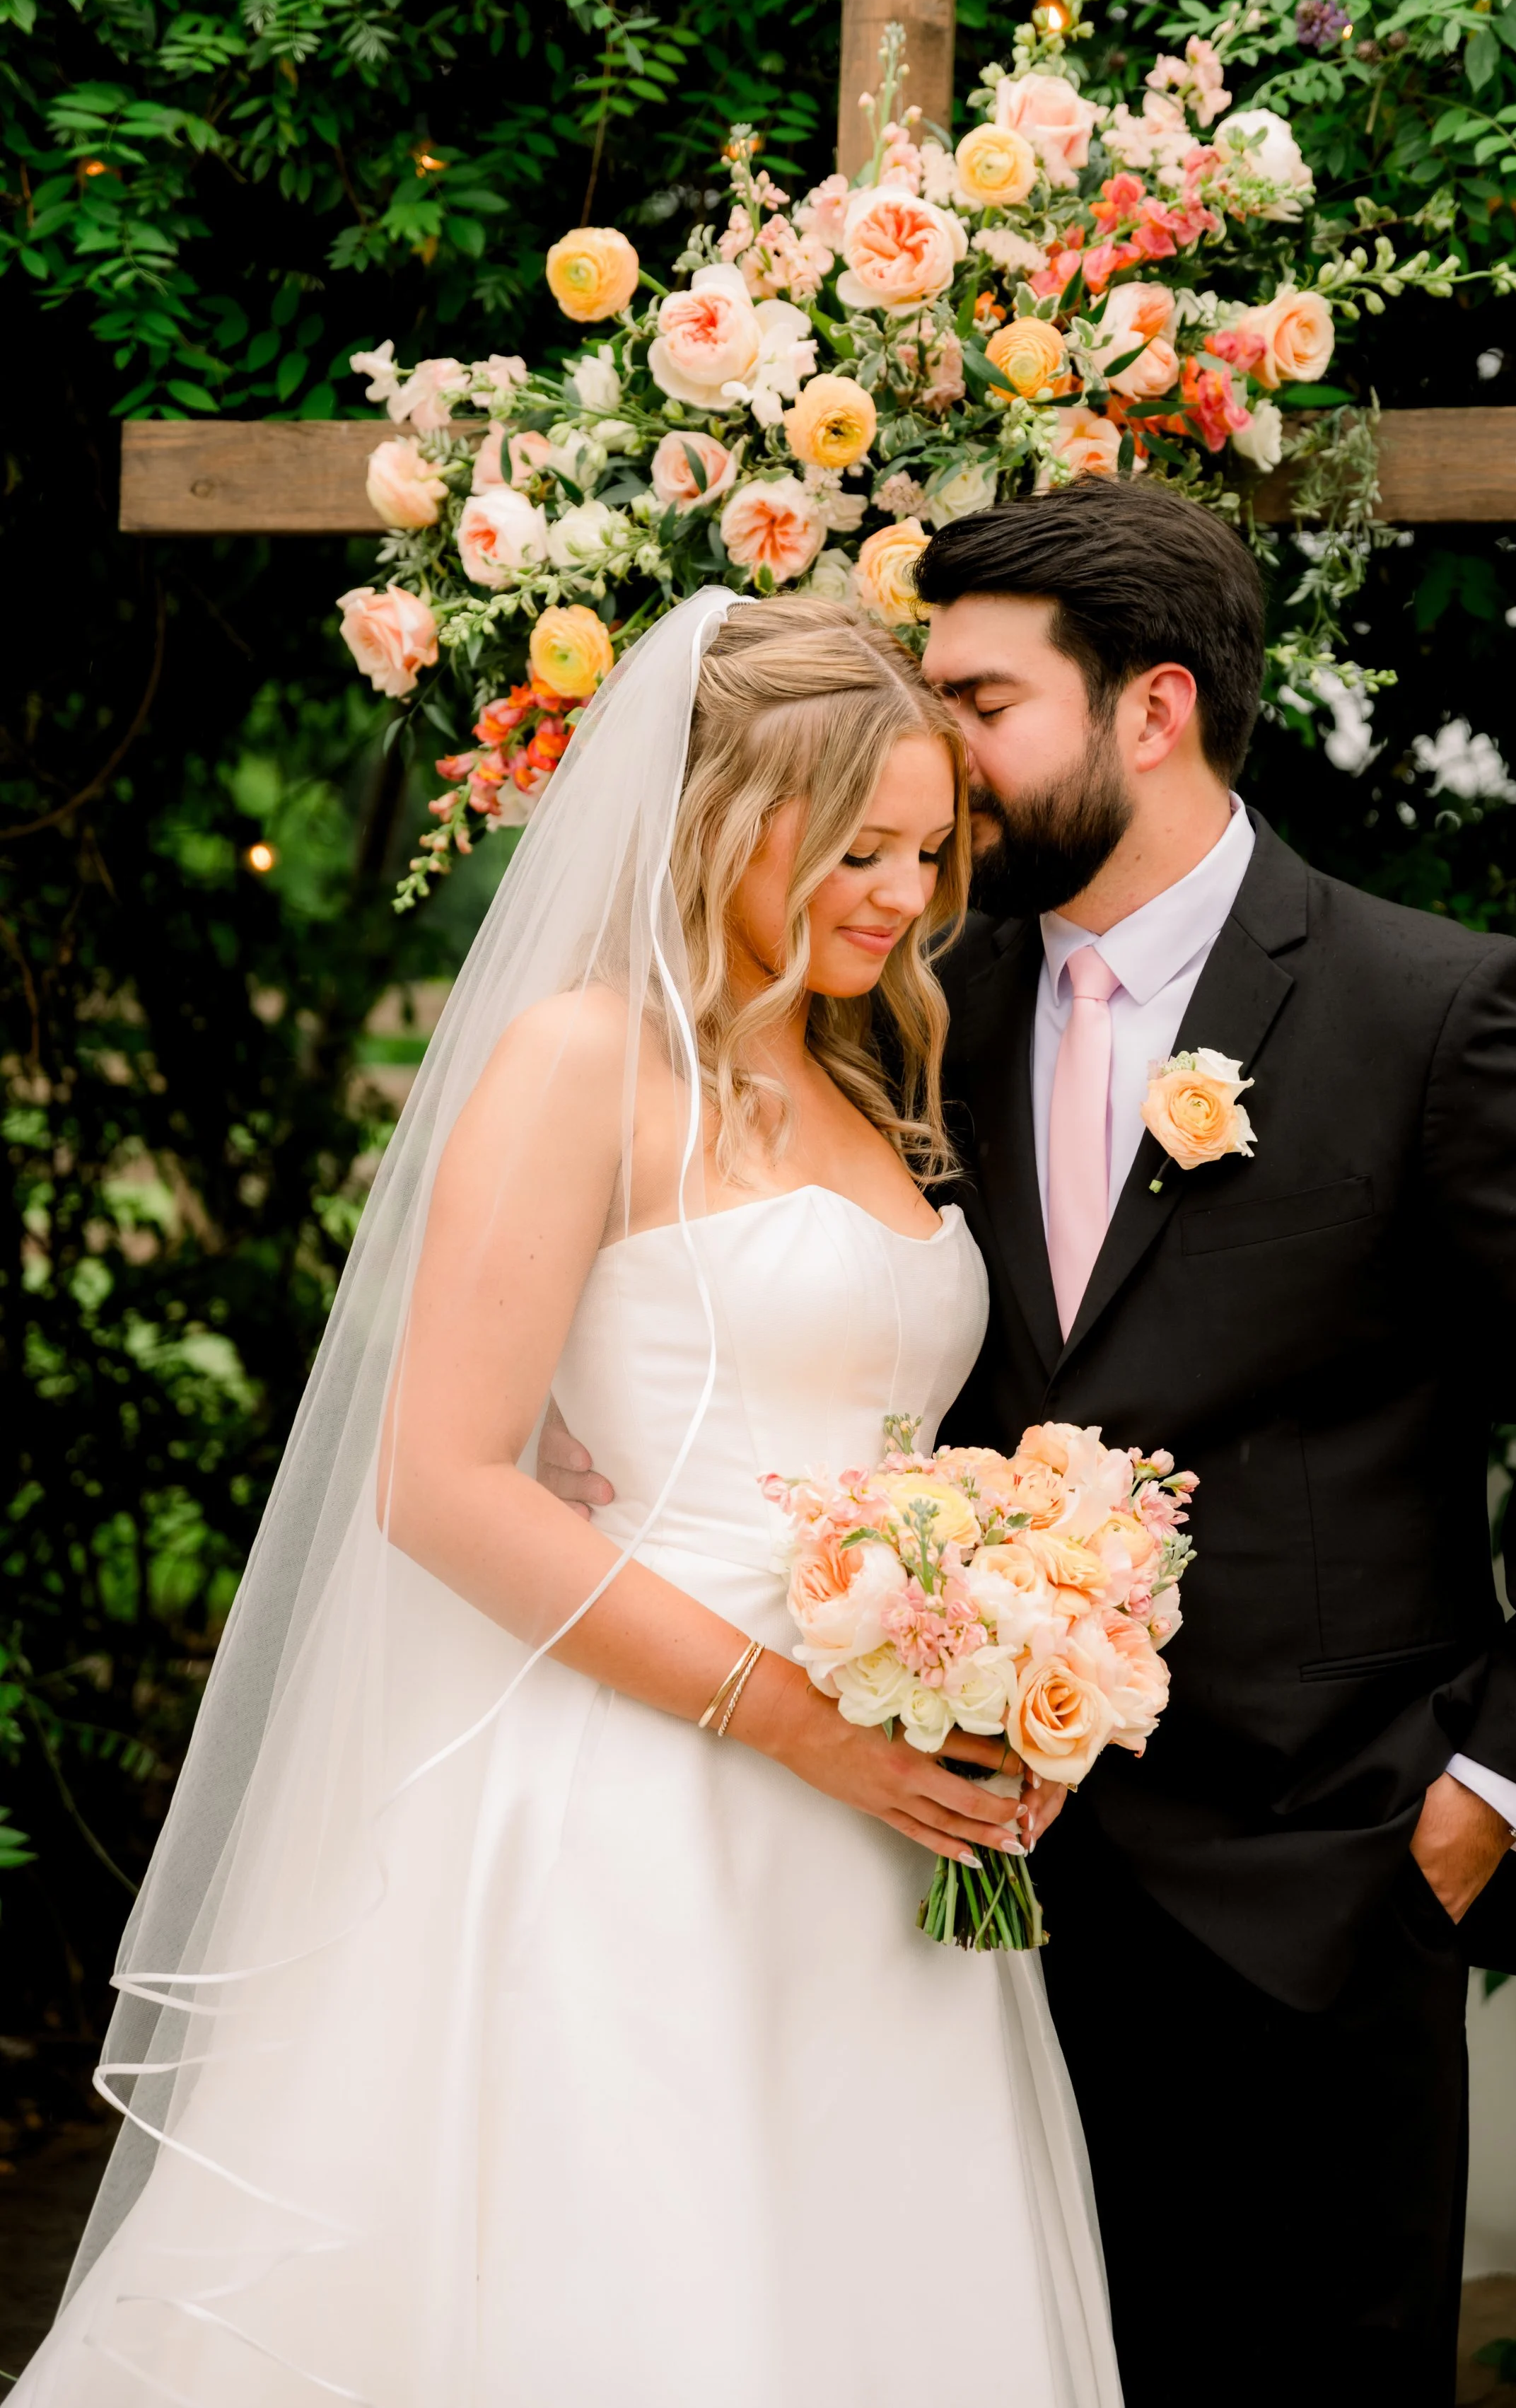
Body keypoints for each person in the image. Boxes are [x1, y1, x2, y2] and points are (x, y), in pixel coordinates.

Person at [14, 594, 1121, 2408]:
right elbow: (441, 1485)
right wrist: (795, 1719)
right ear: (720, 819)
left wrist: (1001, 1636)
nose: (900, 894)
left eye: (926, 851)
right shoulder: (582, 1063)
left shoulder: (864, 1070)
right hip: (645, 1794)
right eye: (857, 847)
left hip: (884, 1823)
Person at [911, 479, 1516, 2402]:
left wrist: (1487, 1795)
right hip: (974, 1903)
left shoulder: (1423, 1008)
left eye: (979, 703)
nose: (938, 761)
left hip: (1325, 1884)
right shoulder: (925, 1004)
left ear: (1149, 707)